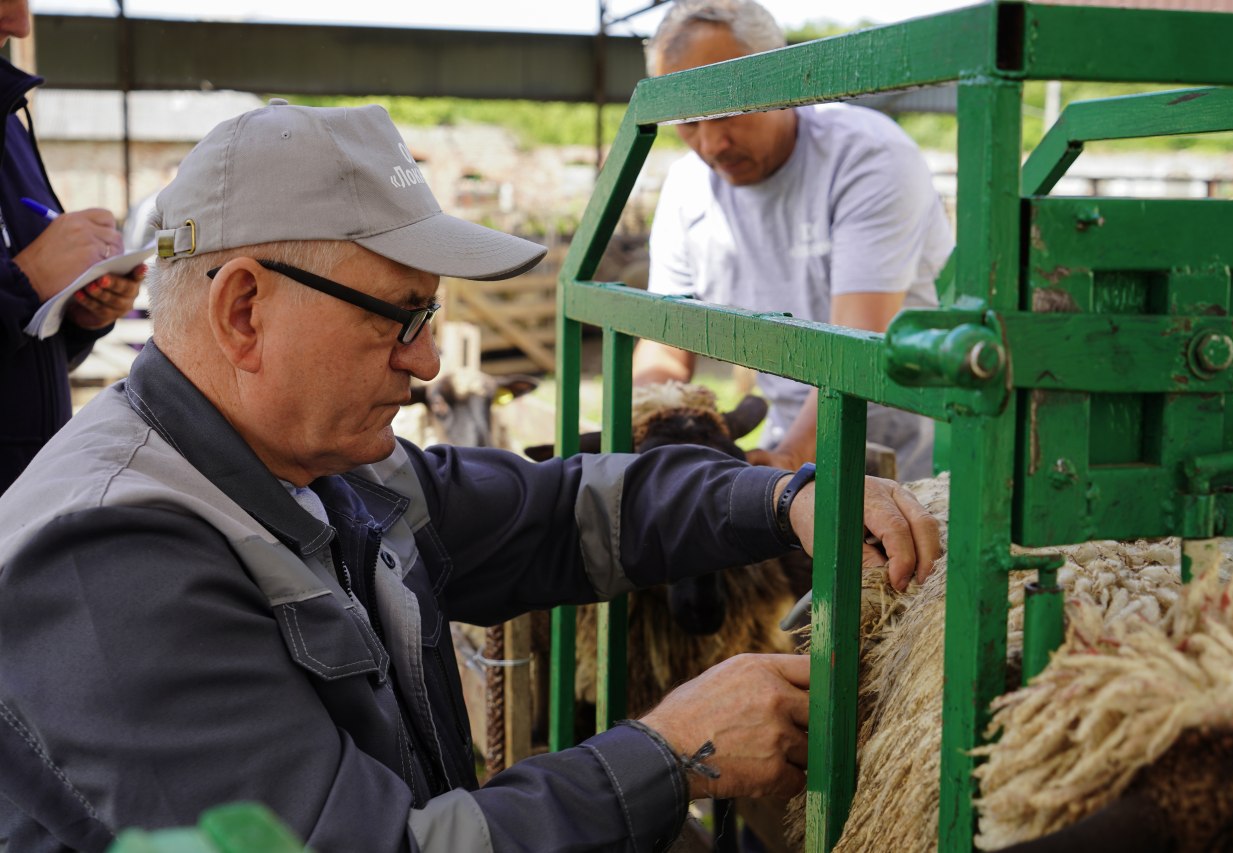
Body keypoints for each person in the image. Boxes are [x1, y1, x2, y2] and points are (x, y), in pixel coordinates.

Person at [0, 102, 940, 852]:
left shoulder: (315, 468)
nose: (427, 364)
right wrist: (669, 753)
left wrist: (781, 498)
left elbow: (559, 511)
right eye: (400, 315)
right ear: (245, 309)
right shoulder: (112, 561)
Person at [633, 0, 954, 482]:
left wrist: (788, 464)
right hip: (785, 443)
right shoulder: (687, 188)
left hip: (898, 460)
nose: (711, 144)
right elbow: (664, 347)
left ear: (784, 83)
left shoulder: (866, 158)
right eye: (688, 121)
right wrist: (648, 425)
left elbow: (856, 346)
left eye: (728, 109)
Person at [0, 0, 144, 493]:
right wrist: (25, 283)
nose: (18, 23)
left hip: (25, 507)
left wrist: (77, 312)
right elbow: (20, 290)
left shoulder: (9, 120)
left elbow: (23, 354)